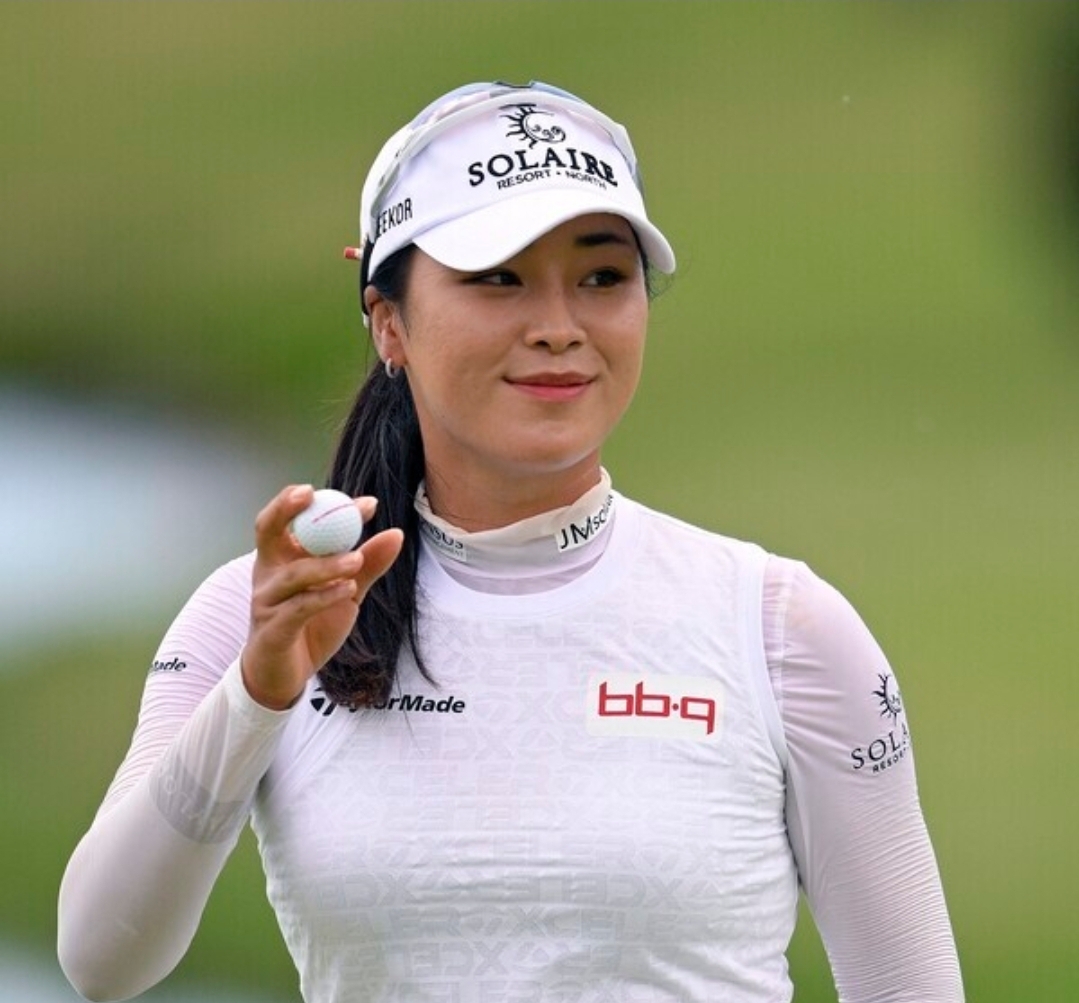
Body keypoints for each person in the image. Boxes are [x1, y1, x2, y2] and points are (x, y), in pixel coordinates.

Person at [58, 80, 965, 1003]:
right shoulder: (264, 615)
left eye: (602, 278)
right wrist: (257, 693)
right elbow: (101, 957)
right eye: (498, 278)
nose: (559, 329)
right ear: (388, 322)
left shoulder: (780, 626)